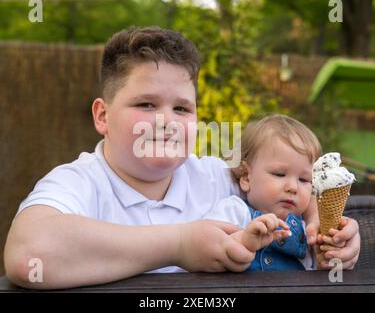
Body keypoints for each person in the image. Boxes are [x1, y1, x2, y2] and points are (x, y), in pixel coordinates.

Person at [4, 27, 360, 289]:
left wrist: (327, 231)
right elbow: (29, 253)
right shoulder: (79, 182)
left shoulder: (215, 177)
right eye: (146, 104)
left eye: (182, 108)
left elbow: (288, 185)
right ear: (102, 116)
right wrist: (179, 245)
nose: (167, 121)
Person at [205, 114, 346, 270]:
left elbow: (316, 272)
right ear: (246, 177)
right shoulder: (235, 211)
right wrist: (243, 240)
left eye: (304, 180)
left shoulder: (308, 230)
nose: (293, 187)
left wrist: (328, 257)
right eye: (279, 174)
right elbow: (206, 246)